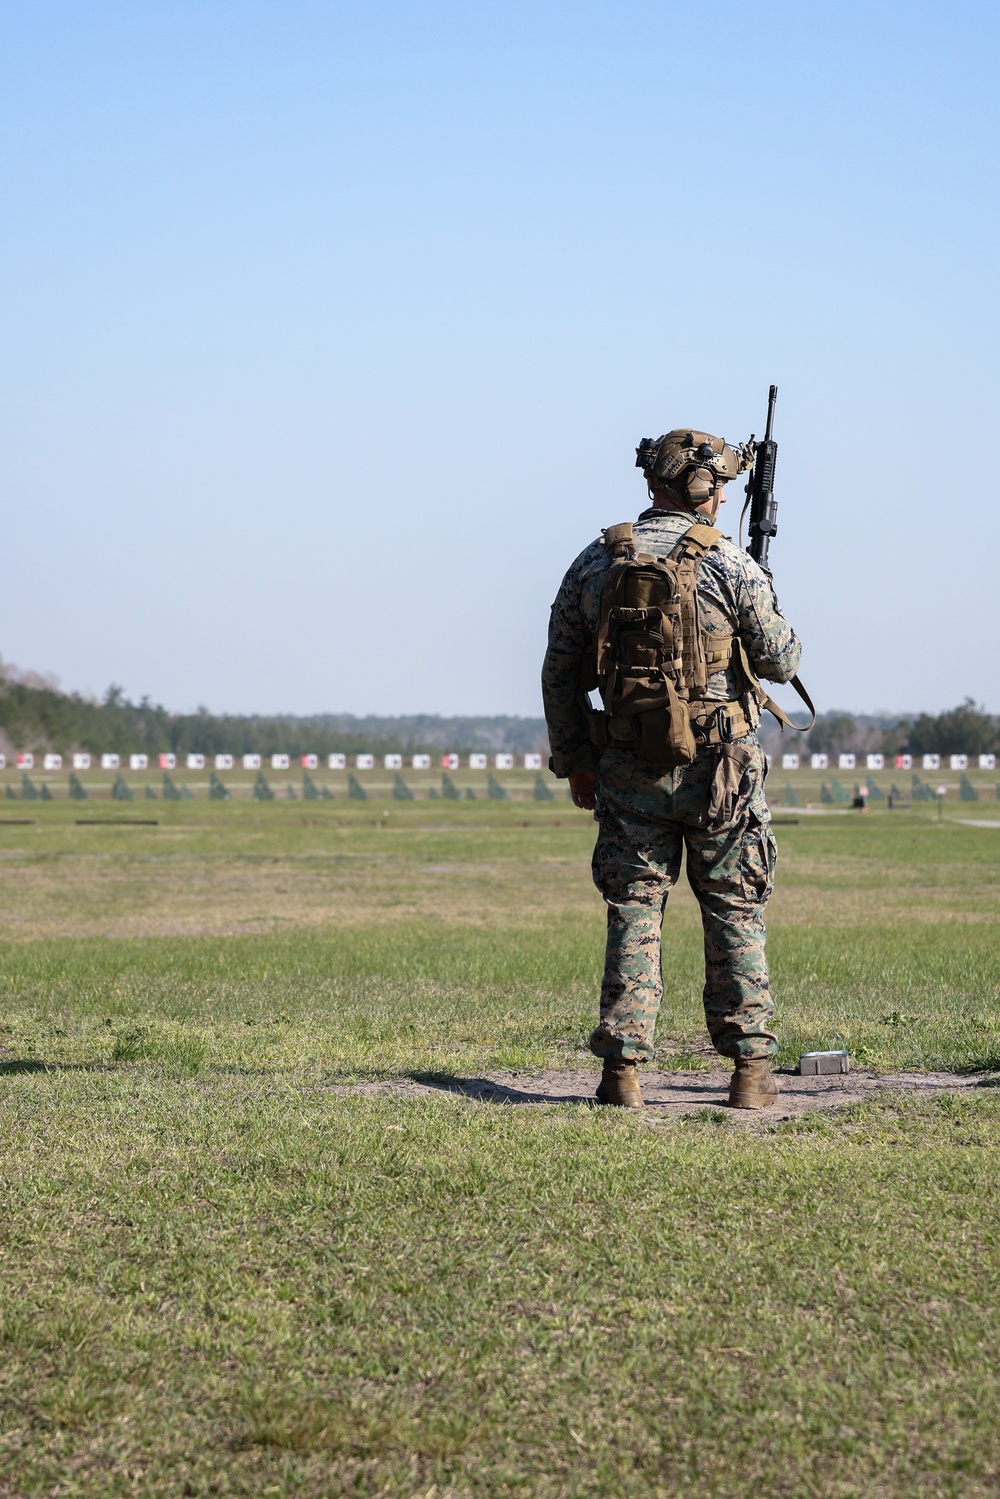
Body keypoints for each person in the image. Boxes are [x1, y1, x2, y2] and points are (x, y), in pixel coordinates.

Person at [541, 428, 802, 1110]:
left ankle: (621, 1072)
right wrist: (766, 591)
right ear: (707, 489)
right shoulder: (732, 563)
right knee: (735, 909)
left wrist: (575, 761)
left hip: (629, 767)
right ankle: (749, 1073)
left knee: (634, 910)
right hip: (723, 771)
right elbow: (781, 660)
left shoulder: (596, 561)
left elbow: (560, 669)